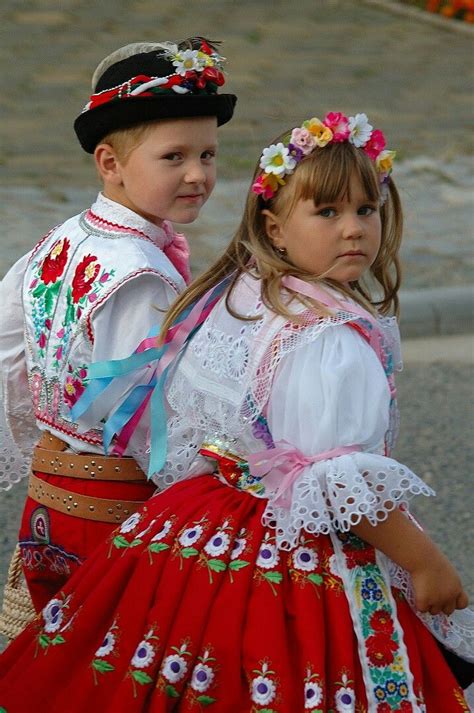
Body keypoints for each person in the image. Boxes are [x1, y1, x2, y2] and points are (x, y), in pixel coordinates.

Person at [0, 111, 472, 712]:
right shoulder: (312, 328)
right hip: (130, 501)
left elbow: (13, 354)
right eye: (328, 213)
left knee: (122, 667)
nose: (352, 229)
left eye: (365, 210)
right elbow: (328, 476)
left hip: (134, 506)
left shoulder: (233, 286)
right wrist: (425, 563)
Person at [0, 36, 237, 613]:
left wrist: (45, 432)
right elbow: (142, 417)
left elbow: (8, 352)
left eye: (206, 155)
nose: (197, 175)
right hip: (114, 509)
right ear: (110, 163)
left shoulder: (62, 239)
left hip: (51, 500)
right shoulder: (140, 275)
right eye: (173, 157)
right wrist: (224, 472)